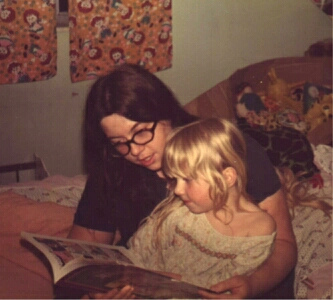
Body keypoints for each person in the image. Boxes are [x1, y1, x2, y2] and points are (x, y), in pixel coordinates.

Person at [68, 63, 297, 299]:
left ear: (166, 112)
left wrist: (252, 285)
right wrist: (91, 293)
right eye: (119, 142)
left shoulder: (226, 150)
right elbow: (82, 255)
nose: (135, 150)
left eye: (142, 132)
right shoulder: (112, 166)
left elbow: (284, 244)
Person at [127, 118, 277, 290]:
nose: (177, 190)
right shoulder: (179, 211)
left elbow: (226, 287)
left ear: (227, 177)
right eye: (175, 179)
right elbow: (138, 250)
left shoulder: (259, 228)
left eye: (187, 179)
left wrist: (171, 280)